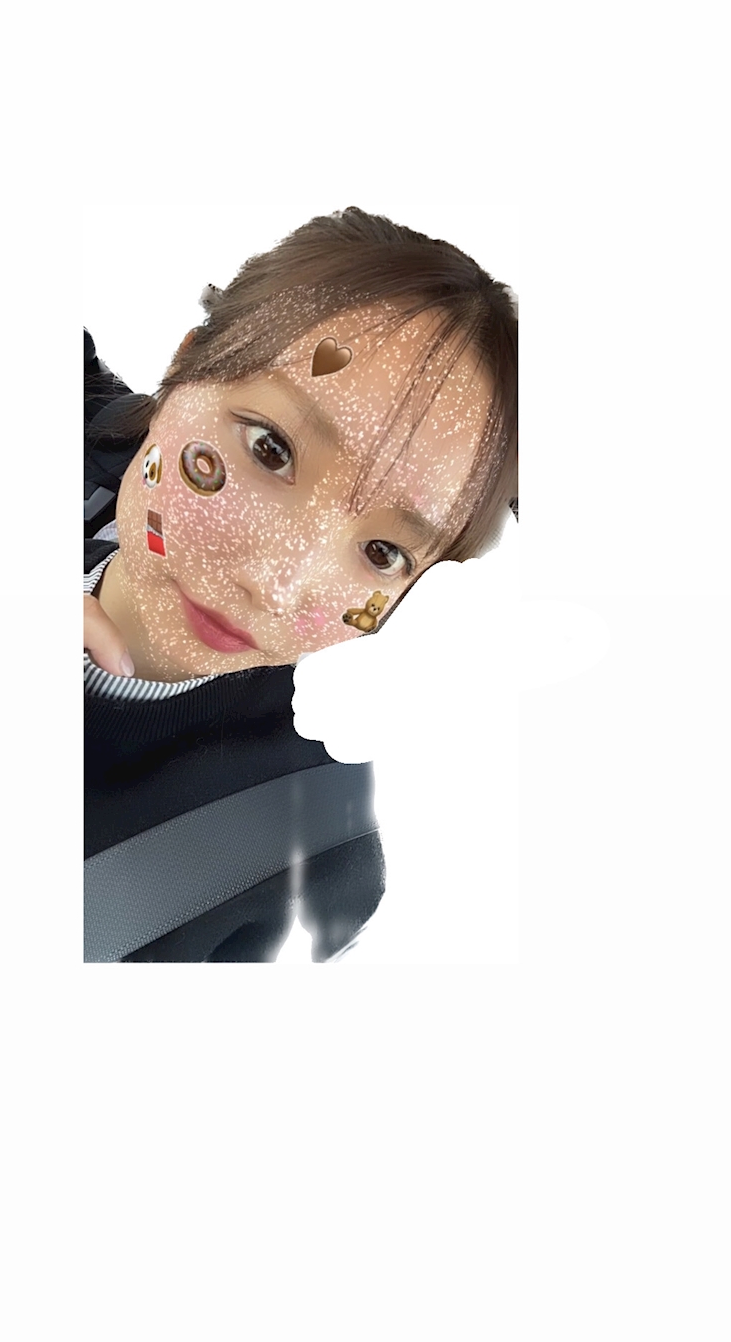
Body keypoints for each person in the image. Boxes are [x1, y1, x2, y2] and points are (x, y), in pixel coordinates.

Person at [84, 207, 518, 963]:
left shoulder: (306, 874)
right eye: (269, 448)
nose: (276, 585)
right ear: (183, 369)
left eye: (383, 551)